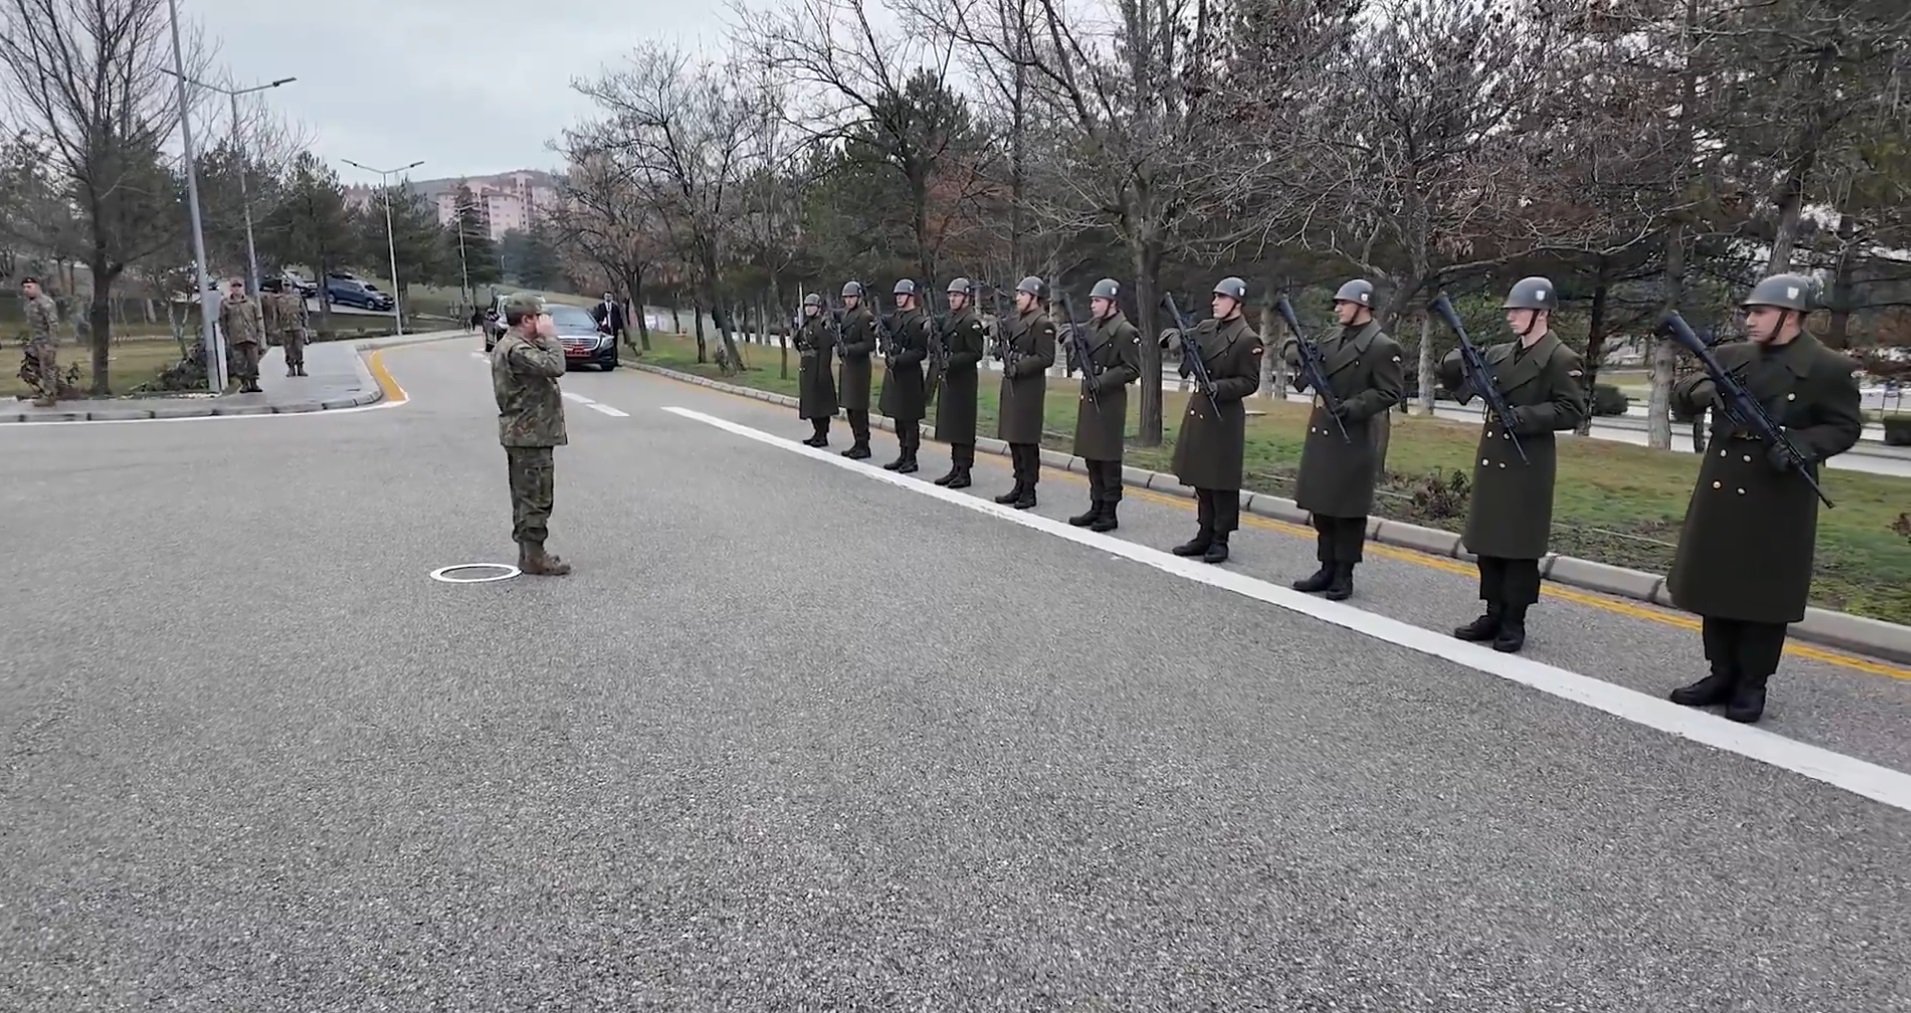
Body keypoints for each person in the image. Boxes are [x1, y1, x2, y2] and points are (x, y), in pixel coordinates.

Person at [1664, 273, 1863, 723]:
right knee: (1716, 583)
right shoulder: (1730, 356)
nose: (1749, 320)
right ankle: (1721, 673)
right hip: (1724, 486)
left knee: (1763, 593)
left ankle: (1752, 683)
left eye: (1760, 312)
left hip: (1778, 493)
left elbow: (1845, 426)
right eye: (1749, 312)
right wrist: (1705, 390)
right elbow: (1684, 395)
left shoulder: (1828, 367)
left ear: (1790, 316)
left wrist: (1802, 445)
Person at [1438, 276, 1588, 653]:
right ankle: (1493, 611)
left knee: (1519, 547)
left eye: (1518, 310)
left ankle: (1514, 620)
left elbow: (1571, 410)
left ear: (1542, 313)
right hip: (1495, 458)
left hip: (1527, 463)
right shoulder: (1501, 353)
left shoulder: (1561, 358)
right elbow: (1462, 385)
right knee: (1489, 542)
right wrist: (1455, 361)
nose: (1511, 316)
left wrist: (1524, 416)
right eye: (1510, 310)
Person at [1284, 279, 1405, 600]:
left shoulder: (1381, 346)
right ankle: (1326, 566)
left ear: (1363, 305)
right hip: (1323, 431)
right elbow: (1298, 347)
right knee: (1322, 507)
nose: (1337, 308)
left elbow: (1390, 391)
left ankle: (1344, 573)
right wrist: (1295, 352)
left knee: (1347, 511)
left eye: (1343, 303)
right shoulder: (1332, 335)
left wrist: (1353, 406)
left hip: (1352, 434)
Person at [1166, 276, 1265, 563]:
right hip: (1201, 410)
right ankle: (1204, 533)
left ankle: (1220, 539)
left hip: (1224, 415)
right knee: (1202, 477)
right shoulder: (1208, 328)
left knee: (1222, 481)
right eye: (1215, 297)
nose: (1215, 302)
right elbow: (1172, 333)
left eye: (1221, 297)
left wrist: (1219, 387)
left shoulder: (1247, 339)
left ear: (1237, 302)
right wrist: (1176, 340)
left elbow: (1250, 382)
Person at [490, 293, 571, 576]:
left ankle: (529, 554)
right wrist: (551, 337)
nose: (544, 321)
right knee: (536, 496)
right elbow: (555, 366)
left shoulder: (514, 345)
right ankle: (534, 556)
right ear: (526, 319)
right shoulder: (517, 349)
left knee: (527, 495)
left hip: (527, 433)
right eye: (538, 316)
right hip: (529, 434)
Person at [1068, 278, 1142, 530]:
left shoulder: (1125, 331)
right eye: (1092, 301)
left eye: (1098, 301)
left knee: (1108, 459)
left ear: (1113, 303)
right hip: (1091, 397)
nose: (1093, 305)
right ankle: (1096, 505)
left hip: (1109, 400)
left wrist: (1103, 380)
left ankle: (1109, 511)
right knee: (1092, 456)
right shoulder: (1091, 326)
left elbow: (1132, 369)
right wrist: (1069, 335)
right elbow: (1076, 335)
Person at [995, 276, 1057, 509]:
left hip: (1028, 388)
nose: (1018, 298)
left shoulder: (1042, 324)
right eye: (1018, 293)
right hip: (1013, 384)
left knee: (1026, 441)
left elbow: (1046, 357)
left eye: (1022, 294)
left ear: (1035, 297)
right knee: (1014, 439)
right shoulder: (1017, 320)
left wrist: (1019, 367)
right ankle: (1019, 483)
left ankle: (1029, 489)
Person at [933, 278, 986, 488]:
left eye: (956, 295)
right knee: (953, 425)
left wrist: (951, 361)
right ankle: (955, 467)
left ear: (966, 298)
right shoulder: (950, 318)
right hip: (951, 378)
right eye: (950, 295)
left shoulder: (970, 321)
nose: (952, 299)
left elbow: (975, 353)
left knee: (963, 427)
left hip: (964, 381)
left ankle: (964, 471)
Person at [879, 279, 930, 473]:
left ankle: (911, 458)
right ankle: (902, 454)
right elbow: (884, 322)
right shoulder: (896, 316)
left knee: (909, 420)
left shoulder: (918, 320)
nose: (899, 299)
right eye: (897, 295)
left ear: (911, 296)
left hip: (909, 375)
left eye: (902, 295)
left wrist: (899, 359)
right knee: (898, 418)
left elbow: (920, 352)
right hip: (896, 374)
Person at [837, 281, 876, 460]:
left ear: (859, 298)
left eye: (852, 297)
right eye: (846, 298)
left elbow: (869, 344)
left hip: (859, 367)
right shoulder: (846, 314)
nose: (848, 301)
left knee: (859, 408)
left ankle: (863, 444)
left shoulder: (865, 316)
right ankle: (857, 442)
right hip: (848, 365)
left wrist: (849, 349)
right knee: (850, 408)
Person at [794, 293, 839, 446]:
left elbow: (826, 349)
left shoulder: (822, 325)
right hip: (807, 367)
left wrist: (823, 371)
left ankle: (822, 434)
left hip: (818, 367)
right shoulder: (806, 324)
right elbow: (799, 342)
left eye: (812, 306)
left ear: (818, 308)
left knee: (821, 404)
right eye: (807, 306)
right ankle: (816, 432)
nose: (808, 309)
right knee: (811, 403)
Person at [219, 278, 265, 393]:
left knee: (253, 362)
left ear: (242, 287)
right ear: (231, 288)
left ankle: (253, 383)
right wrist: (226, 336)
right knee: (239, 362)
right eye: (234, 286)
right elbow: (223, 321)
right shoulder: (226, 304)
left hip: (251, 336)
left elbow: (258, 318)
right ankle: (244, 384)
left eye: (239, 286)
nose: (237, 289)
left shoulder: (250, 302)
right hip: (236, 337)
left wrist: (259, 334)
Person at [19, 276, 60, 407]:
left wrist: (51, 344)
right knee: (43, 368)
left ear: (37, 287)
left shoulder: (45, 302)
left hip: (46, 342)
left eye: (29, 287)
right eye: (24, 287)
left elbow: (53, 324)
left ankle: (50, 396)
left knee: (48, 369)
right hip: (37, 342)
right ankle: (48, 392)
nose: (26, 290)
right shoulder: (31, 303)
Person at [259, 277, 309, 377]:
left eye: (288, 285)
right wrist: (275, 327)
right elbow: (276, 314)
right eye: (285, 286)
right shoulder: (278, 299)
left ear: (291, 286)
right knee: (288, 349)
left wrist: (305, 325)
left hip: (297, 326)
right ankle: (291, 368)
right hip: (285, 328)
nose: (286, 288)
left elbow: (304, 312)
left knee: (299, 348)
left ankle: (300, 368)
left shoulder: (297, 298)